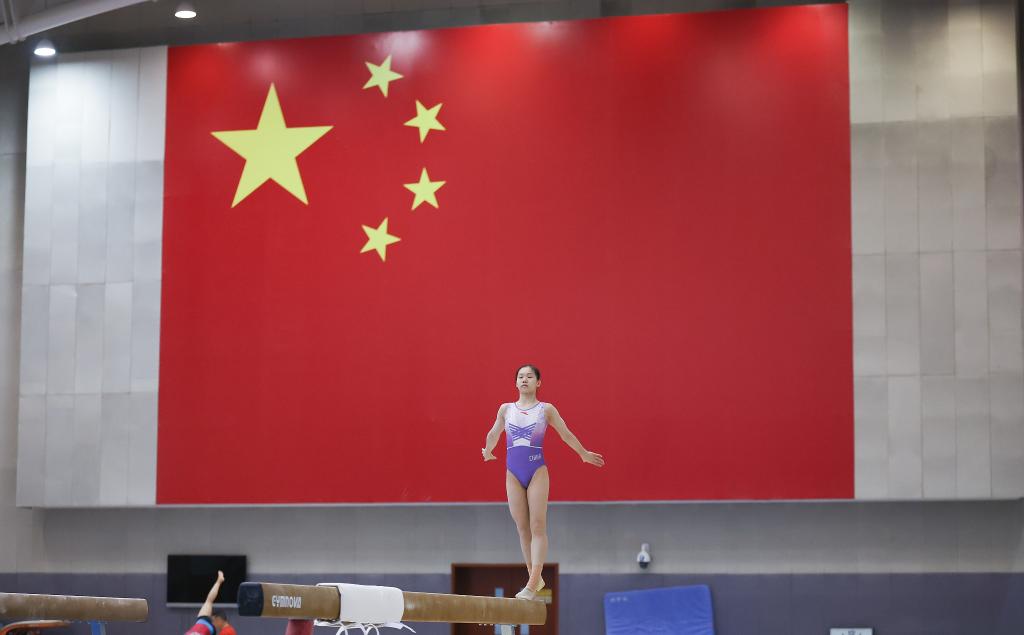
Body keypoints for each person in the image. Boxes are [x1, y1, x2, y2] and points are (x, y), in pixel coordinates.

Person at [481, 364, 605, 600]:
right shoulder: (506, 409)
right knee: (522, 527)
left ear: (538, 382)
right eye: (520, 376)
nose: (524, 379)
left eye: (529, 376)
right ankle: (534, 577)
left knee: (537, 525)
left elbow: (565, 433)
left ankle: (531, 584)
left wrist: (583, 453)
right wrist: (488, 450)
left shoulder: (546, 409)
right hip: (512, 473)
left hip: (536, 470)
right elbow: (494, 432)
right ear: (515, 383)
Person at [185, 571, 225, 635]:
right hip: (202, 623)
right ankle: (219, 581)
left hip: (203, 624)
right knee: (209, 601)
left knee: (209, 601)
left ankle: (219, 581)